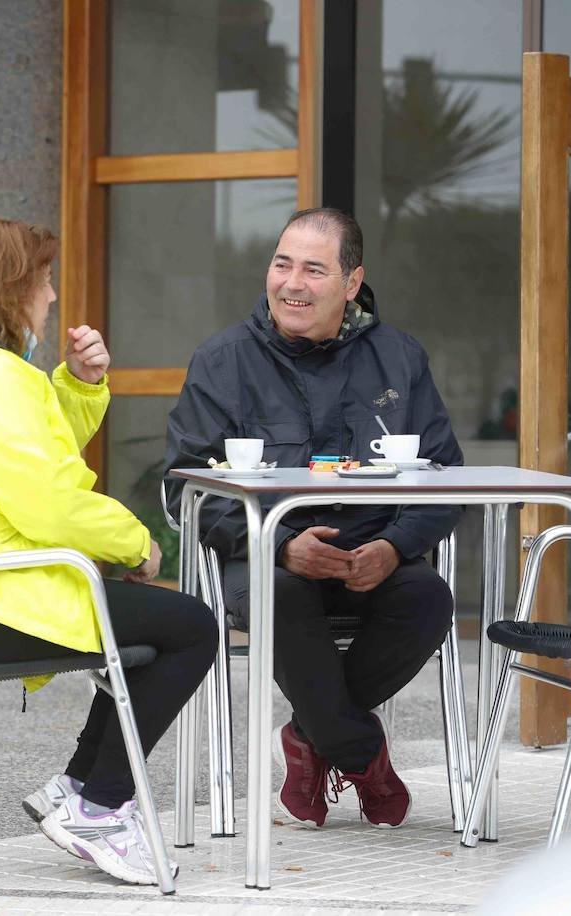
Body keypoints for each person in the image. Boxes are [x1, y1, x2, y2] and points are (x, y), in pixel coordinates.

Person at [0, 217, 218, 885]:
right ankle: (100, 805)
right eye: (44, 280)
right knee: (191, 627)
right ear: (10, 289)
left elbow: (28, 456)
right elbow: (50, 504)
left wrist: (79, 383)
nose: (53, 296)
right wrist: (139, 543)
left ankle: (82, 787)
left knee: (144, 625)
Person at [164, 207, 464, 830]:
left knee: (430, 598)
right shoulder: (222, 359)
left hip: (373, 558)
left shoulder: (399, 358)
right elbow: (183, 488)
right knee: (280, 594)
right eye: (282, 264)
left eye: (313, 270)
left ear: (352, 283)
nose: (292, 284)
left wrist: (393, 546)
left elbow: (445, 475)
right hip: (265, 562)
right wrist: (277, 545)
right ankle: (361, 756)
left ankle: (310, 737)